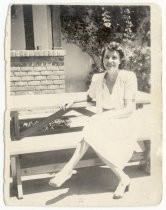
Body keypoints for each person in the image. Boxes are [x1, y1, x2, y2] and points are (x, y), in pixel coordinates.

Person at [49, 42, 138, 199]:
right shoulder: (98, 79)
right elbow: (89, 96)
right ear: (102, 59)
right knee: (92, 129)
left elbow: (130, 109)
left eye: (114, 57)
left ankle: (67, 170)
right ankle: (123, 178)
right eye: (107, 57)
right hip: (104, 124)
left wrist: (107, 116)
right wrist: (73, 100)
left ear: (120, 60)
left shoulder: (128, 77)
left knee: (92, 127)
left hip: (124, 123)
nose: (110, 60)